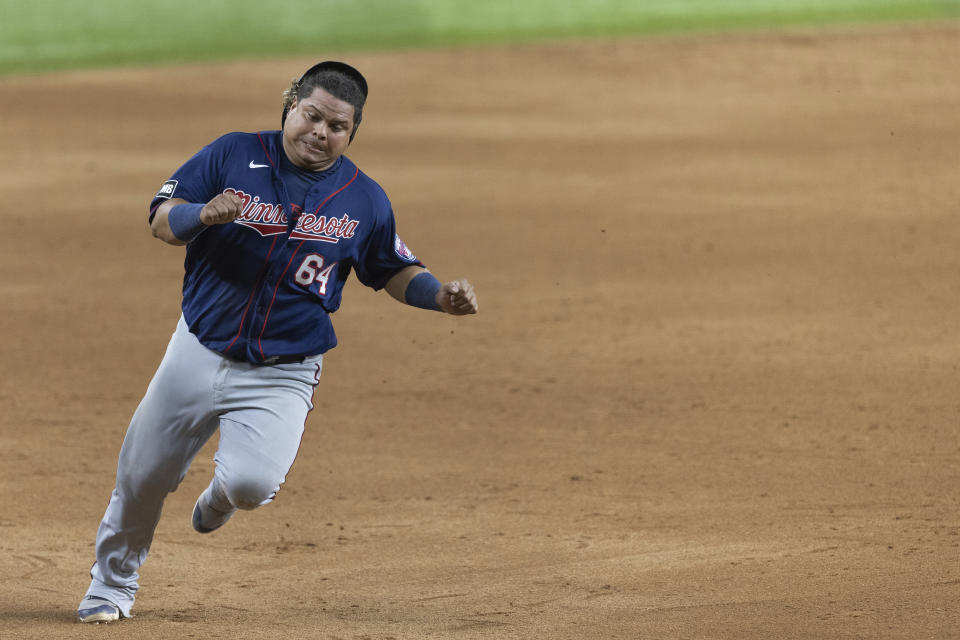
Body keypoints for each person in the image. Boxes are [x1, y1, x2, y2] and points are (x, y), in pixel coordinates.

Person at [77, 61, 479, 624]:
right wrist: (201, 214)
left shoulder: (363, 199)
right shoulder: (231, 153)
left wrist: (438, 296)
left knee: (250, 484)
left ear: (351, 133)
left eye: (336, 126)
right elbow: (162, 219)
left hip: (284, 369)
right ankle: (112, 586)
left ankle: (220, 497)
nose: (320, 132)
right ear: (290, 106)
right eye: (311, 116)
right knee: (141, 477)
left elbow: (391, 268)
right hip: (197, 348)